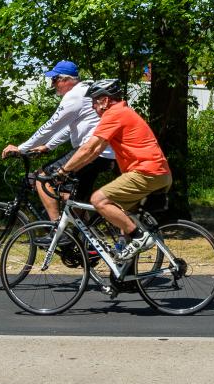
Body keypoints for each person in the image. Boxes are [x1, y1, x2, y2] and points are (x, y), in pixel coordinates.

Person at [57, 79, 171, 259]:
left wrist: (62, 171)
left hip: (145, 172)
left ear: (105, 100)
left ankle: (140, 237)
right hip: (158, 173)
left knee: (98, 199)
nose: (93, 106)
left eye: (95, 101)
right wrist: (73, 169)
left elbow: (88, 147)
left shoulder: (114, 114)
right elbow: (95, 152)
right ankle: (126, 277)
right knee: (123, 216)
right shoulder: (123, 112)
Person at [1, 60, 114, 221]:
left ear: (66, 80)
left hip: (90, 151)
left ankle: (56, 232)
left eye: (54, 80)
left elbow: (50, 126)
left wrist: (21, 148)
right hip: (103, 154)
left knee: (42, 177)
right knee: (72, 197)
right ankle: (82, 241)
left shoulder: (74, 96)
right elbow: (68, 129)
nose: (53, 84)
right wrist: (47, 146)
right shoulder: (85, 92)